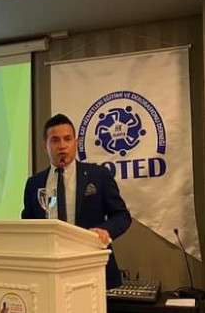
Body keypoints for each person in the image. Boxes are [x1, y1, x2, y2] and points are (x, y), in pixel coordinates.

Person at [22, 114, 131, 288]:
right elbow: (28, 226)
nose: (62, 146)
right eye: (55, 140)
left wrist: (106, 230)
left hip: (92, 268)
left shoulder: (98, 175)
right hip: (50, 273)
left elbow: (122, 216)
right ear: (45, 145)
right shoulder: (34, 184)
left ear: (76, 142)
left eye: (67, 139)